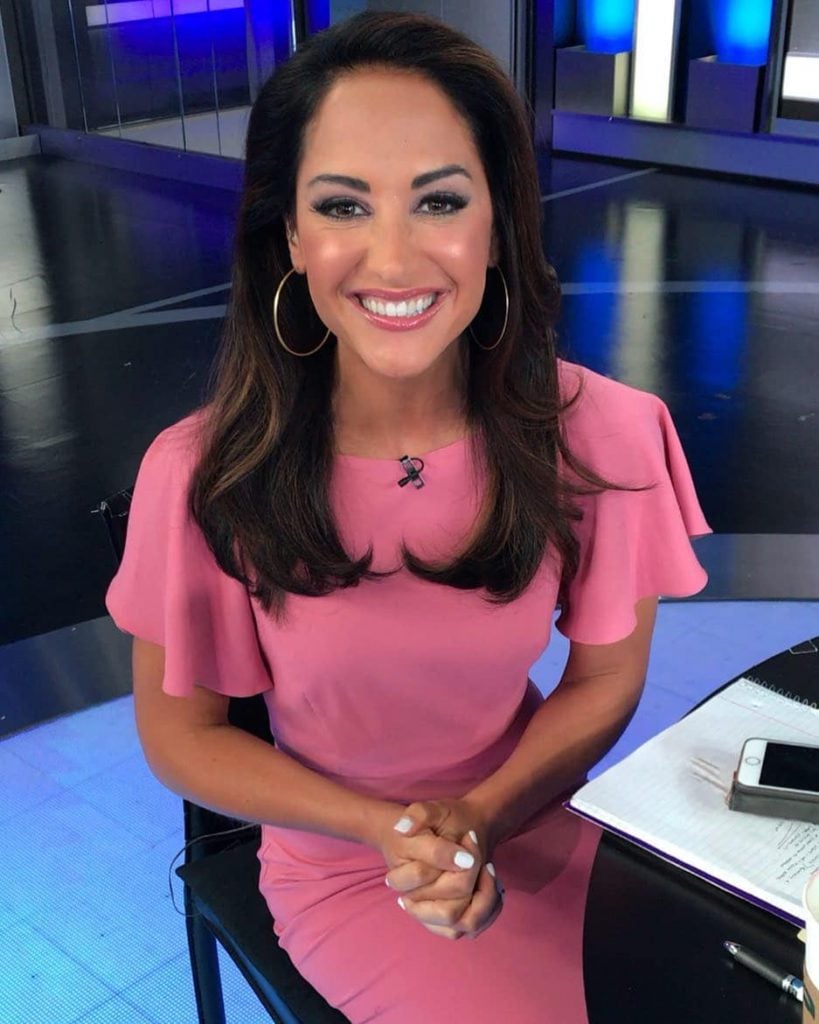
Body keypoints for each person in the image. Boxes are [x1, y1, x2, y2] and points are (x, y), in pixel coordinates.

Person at [106, 11, 710, 1022]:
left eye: (439, 201)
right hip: (346, 863)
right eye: (343, 205)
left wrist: (480, 816)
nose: (392, 258)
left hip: (537, 811)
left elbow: (605, 678)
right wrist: (391, 830)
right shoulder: (202, 473)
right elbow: (181, 736)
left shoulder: (604, 431)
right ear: (291, 235)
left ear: (496, 224)